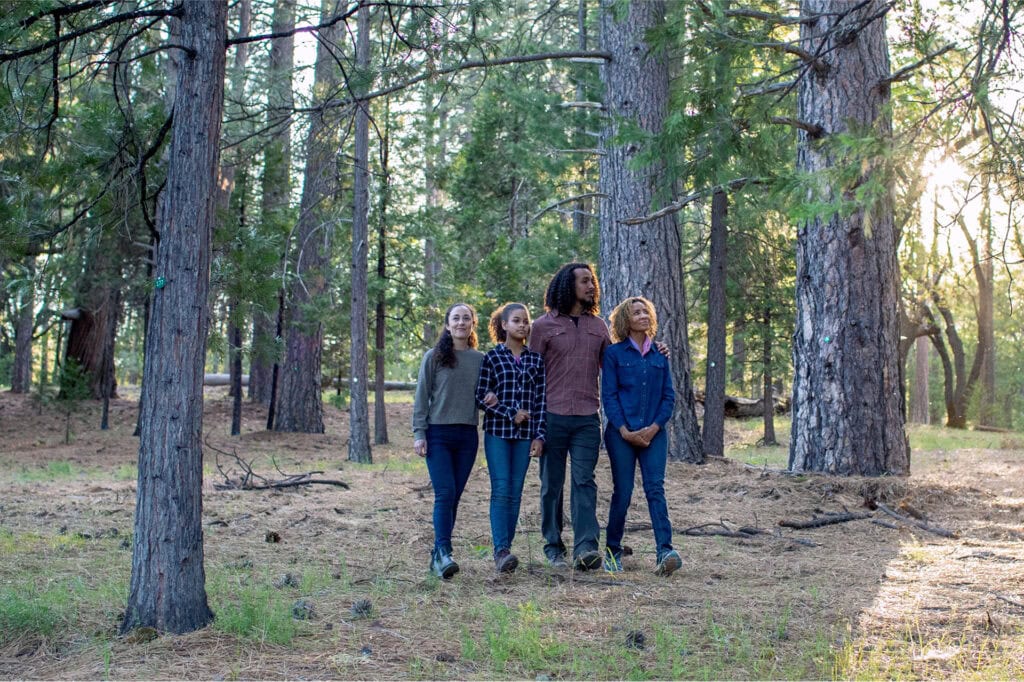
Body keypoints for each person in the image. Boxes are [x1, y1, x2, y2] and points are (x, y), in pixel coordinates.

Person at [531, 263, 610, 570]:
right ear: (568, 286)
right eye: (584, 281)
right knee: (552, 484)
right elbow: (531, 376)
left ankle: (586, 547)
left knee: (584, 482)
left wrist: (653, 349)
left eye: (592, 281)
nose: (591, 286)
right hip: (551, 417)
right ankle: (553, 545)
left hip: (588, 418)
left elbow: (616, 368)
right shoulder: (543, 326)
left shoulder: (599, 327)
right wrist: (535, 427)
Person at [601, 296, 681, 576]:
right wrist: (625, 430)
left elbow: (669, 396)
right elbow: (609, 396)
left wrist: (654, 428)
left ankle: (665, 551)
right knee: (623, 492)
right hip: (621, 434)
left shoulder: (660, 354)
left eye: (646, 310)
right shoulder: (614, 354)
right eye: (636, 312)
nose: (643, 314)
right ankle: (612, 552)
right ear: (626, 319)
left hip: (654, 434)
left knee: (655, 490)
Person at [412, 303, 484, 579]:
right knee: (444, 493)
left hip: (467, 436)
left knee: (454, 496)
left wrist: (490, 400)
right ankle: (444, 552)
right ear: (447, 324)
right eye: (456, 318)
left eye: (466, 318)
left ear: (472, 324)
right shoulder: (434, 357)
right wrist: (419, 433)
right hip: (438, 434)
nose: (461, 323)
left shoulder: (480, 359)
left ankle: (437, 556)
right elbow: (421, 397)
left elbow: (484, 395)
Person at [475, 303, 546, 574]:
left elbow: (541, 402)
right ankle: (500, 549)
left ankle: (507, 552)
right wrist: (509, 412)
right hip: (498, 433)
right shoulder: (492, 358)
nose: (522, 325)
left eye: (525, 321)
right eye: (516, 321)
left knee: (515, 492)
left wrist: (540, 435)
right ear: (504, 325)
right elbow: (481, 395)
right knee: (501, 488)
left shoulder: (535, 360)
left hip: (526, 437)